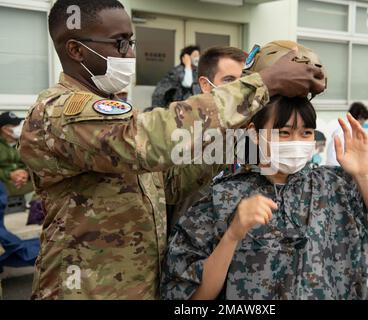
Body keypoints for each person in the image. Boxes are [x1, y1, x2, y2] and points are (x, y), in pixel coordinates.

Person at [18, 0, 326, 300]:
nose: (131, 52)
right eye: (120, 43)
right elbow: (154, 140)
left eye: (131, 41)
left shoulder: (116, 113)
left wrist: (241, 136)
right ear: (75, 49)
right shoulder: (58, 113)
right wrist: (263, 84)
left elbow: (169, 183)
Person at [161, 43, 368, 300]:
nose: (296, 142)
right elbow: (196, 296)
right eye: (284, 133)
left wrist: (364, 176)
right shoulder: (224, 197)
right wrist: (232, 235)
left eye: (306, 133)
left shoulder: (338, 187)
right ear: (254, 134)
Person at [167, 46, 249, 230]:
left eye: (244, 81)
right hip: (192, 238)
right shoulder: (181, 131)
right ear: (205, 85)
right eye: (229, 80)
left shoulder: (251, 129)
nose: (239, 89)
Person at [326, 102, 368, 166]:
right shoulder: (349, 131)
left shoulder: (342, 130)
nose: (363, 124)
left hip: (333, 166)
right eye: (363, 121)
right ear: (360, 117)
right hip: (337, 167)